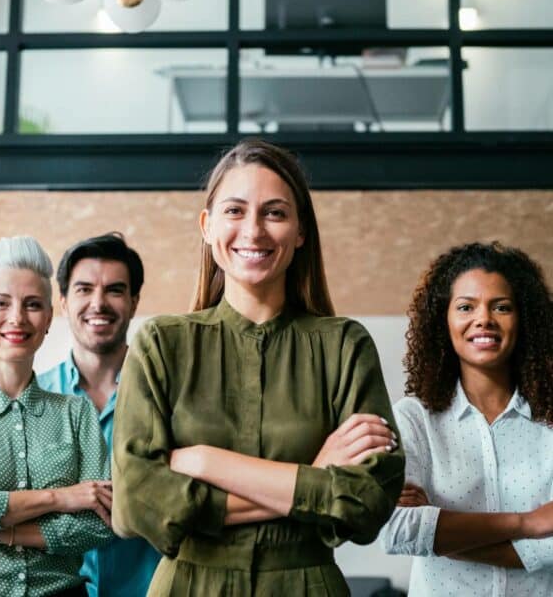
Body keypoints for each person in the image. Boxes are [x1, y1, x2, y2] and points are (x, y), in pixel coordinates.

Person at [111, 139, 405, 596]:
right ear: (207, 226)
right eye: (234, 211)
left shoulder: (345, 345)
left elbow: (368, 500)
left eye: (275, 212)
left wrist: (206, 462)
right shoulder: (160, 344)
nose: (254, 231)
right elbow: (137, 505)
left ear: (300, 231)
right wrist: (314, 476)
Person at [380, 242, 553, 596]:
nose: (484, 319)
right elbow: (396, 530)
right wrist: (528, 522)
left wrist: (436, 529)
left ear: (524, 320)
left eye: (501, 307)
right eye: (465, 307)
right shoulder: (414, 419)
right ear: (443, 320)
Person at [0, 236, 114, 597]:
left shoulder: (77, 412)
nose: (17, 318)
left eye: (32, 304)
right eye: (0, 303)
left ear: (47, 319)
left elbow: (98, 525)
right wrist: (62, 498)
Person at [38, 233, 161, 597]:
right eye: (84, 289)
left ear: (134, 301)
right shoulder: (32, 398)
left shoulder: (167, 396)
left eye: (114, 290)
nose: (98, 303)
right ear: (62, 302)